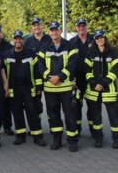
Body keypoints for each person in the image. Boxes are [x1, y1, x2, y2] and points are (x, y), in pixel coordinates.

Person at [37, 21, 79, 152]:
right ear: (49, 32)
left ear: (60, 31)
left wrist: (59, 77)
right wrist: (50, 77)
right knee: (53, 115)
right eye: (52, 30)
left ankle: (72, 141)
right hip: (50, 89)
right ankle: (57, 140)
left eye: (56, 30)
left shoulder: (70, 46)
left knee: (70, 115)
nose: (54, 32)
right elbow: (40, 66)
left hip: (66, 88)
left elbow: (72, 65)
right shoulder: (44, 47)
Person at [4, 30, 46, 147]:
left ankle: (37, 136)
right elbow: (3, 72)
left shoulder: (31, 54)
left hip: (28, 89)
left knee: (32, 112)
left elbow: (37, 71)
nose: (18, 41)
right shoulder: (7, 55)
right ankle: (20, 136)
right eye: (16, 39)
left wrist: (39, 86)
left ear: (23, 40)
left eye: (20, 39)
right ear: (13, 40)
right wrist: (5, 87)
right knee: (17, 114)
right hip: (14, 90)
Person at [84, 30, 118, 149]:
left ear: (105, 38)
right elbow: (86, 70)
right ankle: (98, 139)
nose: (100, 40)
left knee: (113, 117)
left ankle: (116, 139)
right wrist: (93, 83)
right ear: (95, 40)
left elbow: (115, 70)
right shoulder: (91, 53)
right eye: (97, 38)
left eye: (101, 37)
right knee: (96, 117)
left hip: (109, 90)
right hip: (93, 90)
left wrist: (104, 83)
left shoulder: (113, 52)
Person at [69, 18, 94, 135]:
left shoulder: (94, 40)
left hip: (91, 80)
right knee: (76, 106)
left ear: (86, 27)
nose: (81, 28)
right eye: (79, 26)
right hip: (77, 81)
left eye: (83, 26)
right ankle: (77, 130)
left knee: (93, 107)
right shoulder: (71, 42)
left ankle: (95, 131)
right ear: (76, 28)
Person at [24, 17, 51, 120]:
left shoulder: (49, 39)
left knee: (51, 103)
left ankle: (53, 127)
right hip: (34, 77)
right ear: (32, 27)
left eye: (38, 25)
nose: (37, 27)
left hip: (49, 75)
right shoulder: (28, 41)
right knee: (35, 103)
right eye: (34, 25)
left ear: (42, 26)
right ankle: (36, 126)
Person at [0, 24, 14, 136]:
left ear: (1, 33)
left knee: (6, 106)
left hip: (5, 78)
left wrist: (7, 83)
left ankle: (7, 126)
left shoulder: (8, 46)